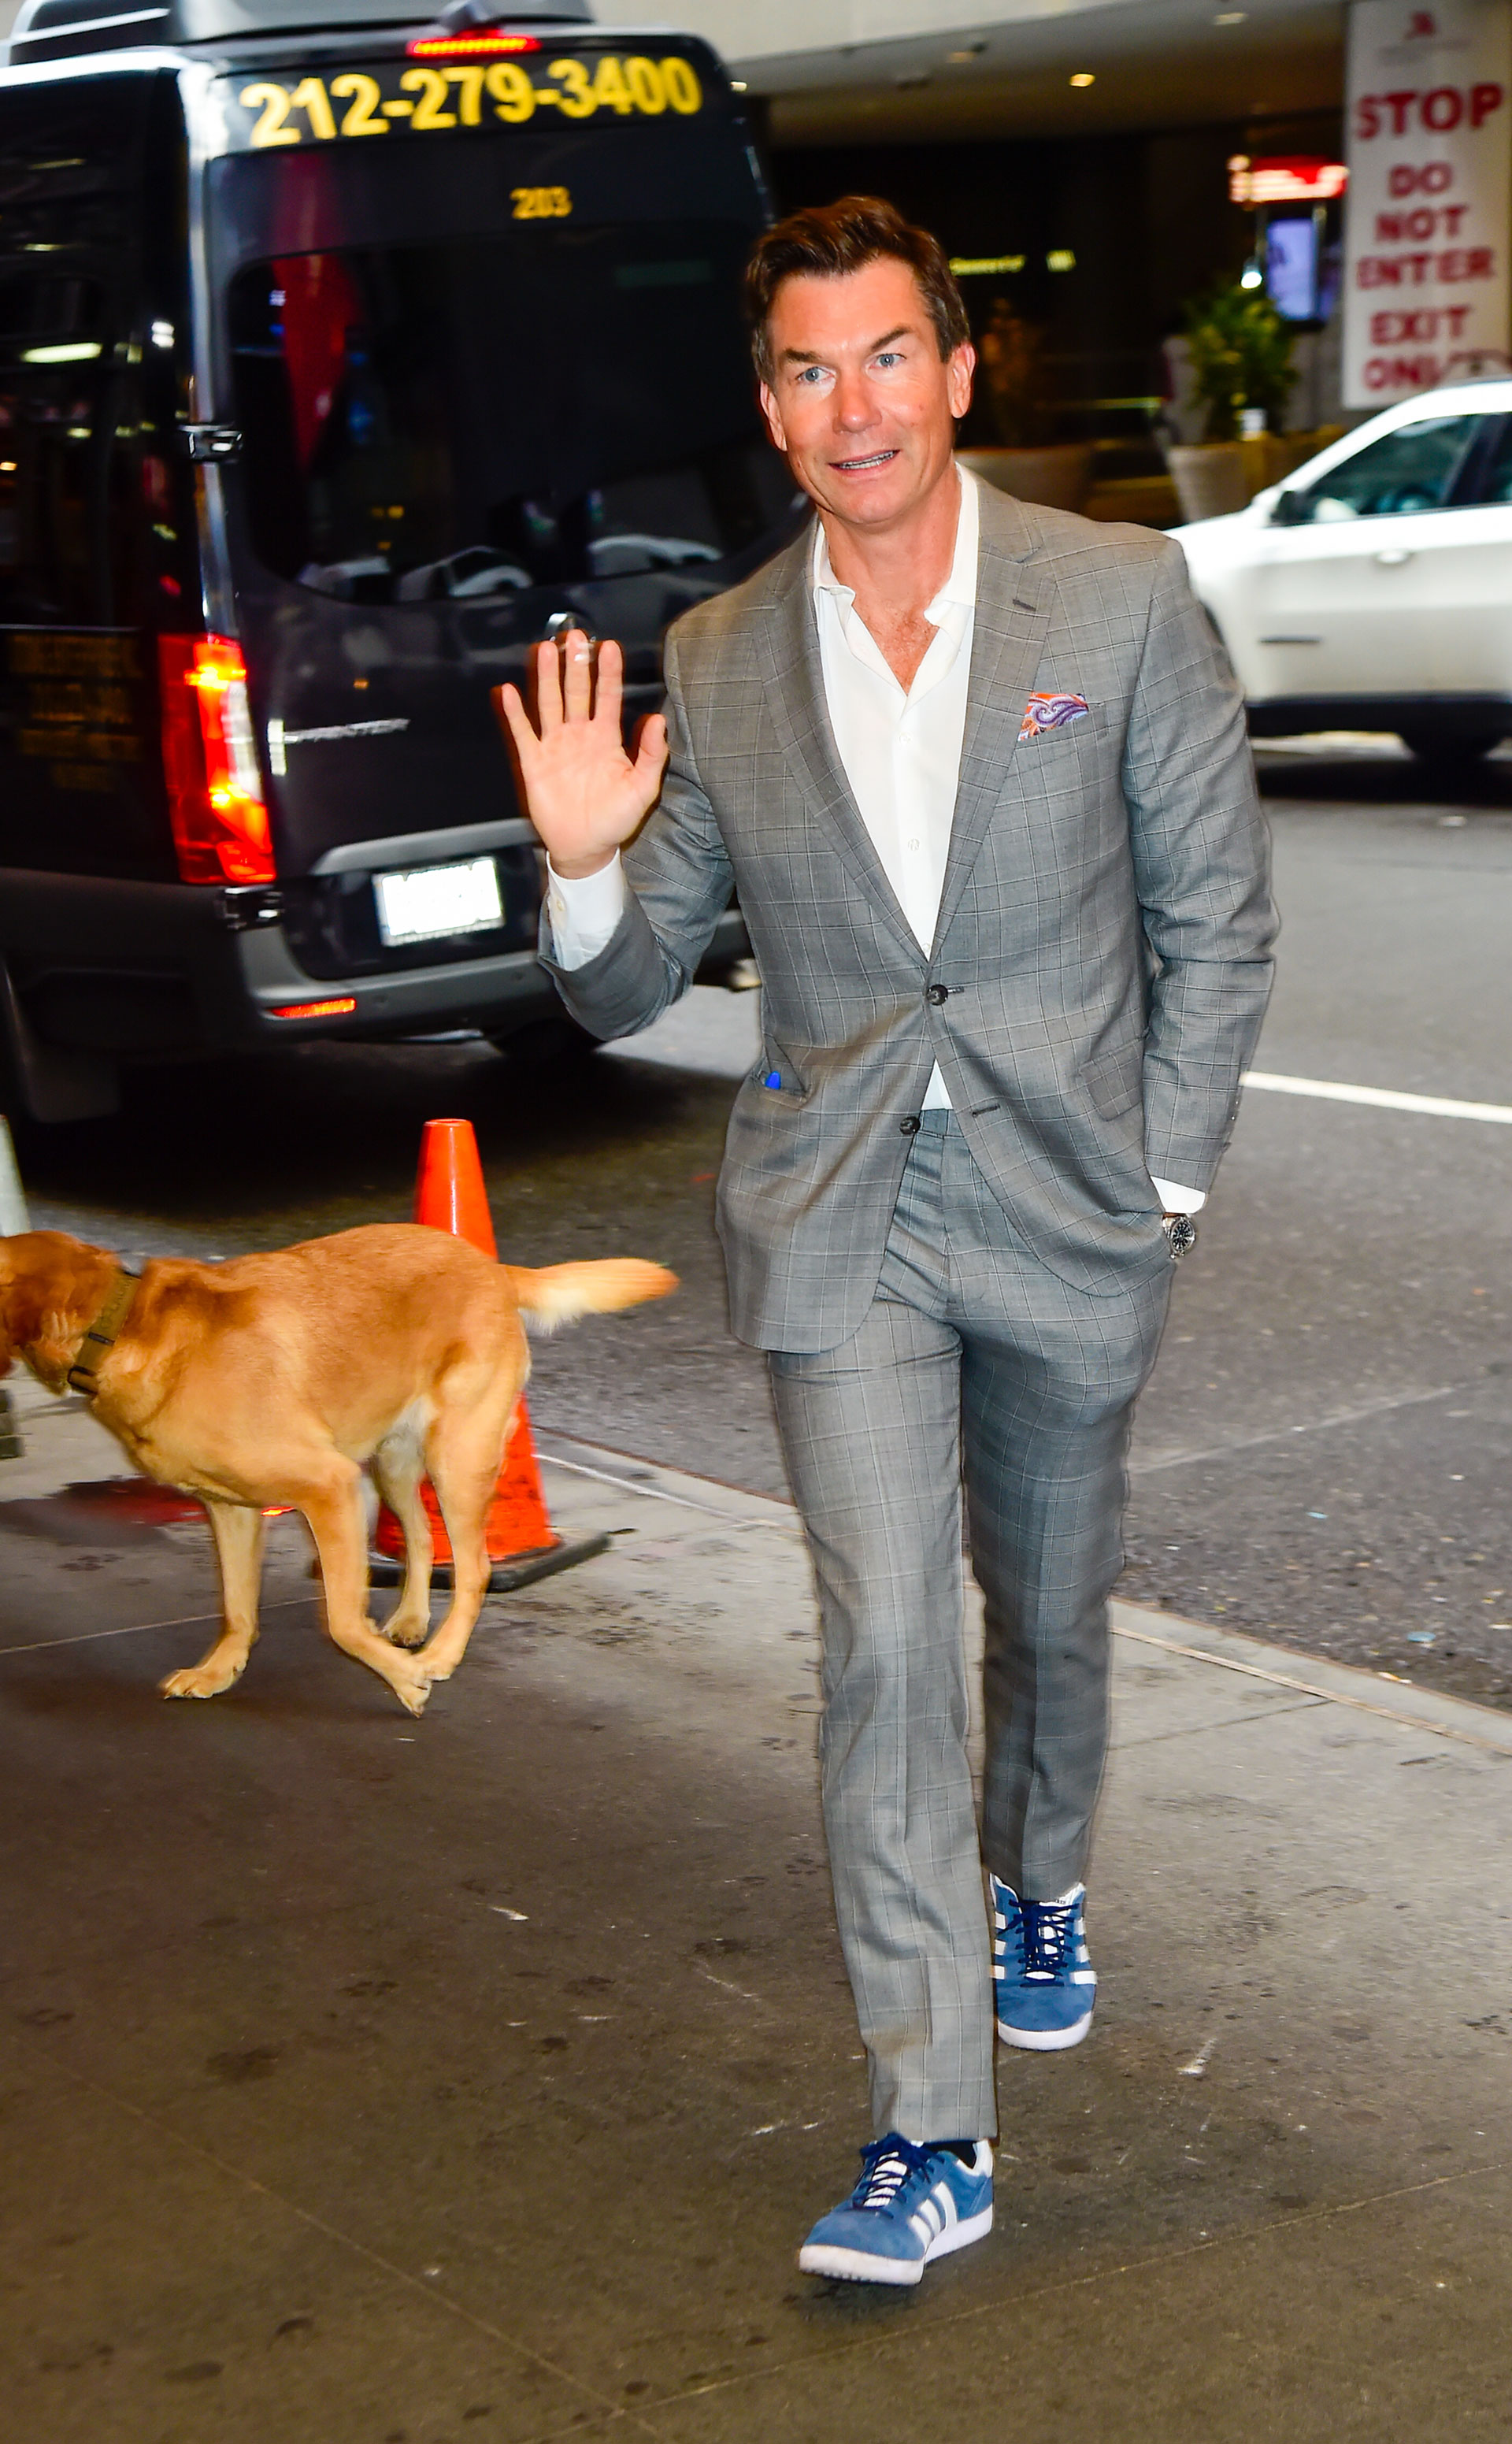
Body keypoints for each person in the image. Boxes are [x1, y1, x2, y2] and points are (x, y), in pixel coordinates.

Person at [497, 197, 1275, 2287]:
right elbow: (634, 972)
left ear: (957, 367)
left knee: (1049, 1606)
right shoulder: (722, 656)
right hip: (842, 1211)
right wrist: (585, 872)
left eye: (886, 357)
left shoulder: (1116, 600)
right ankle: (931, 2128)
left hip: (1071, 1197)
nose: (856, 406)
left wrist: (1167, 1182)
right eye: (808, 371)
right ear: (772, 407)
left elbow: (1216, 923)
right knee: (882, 1652)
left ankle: (1041, 1874)